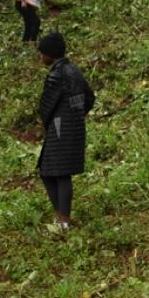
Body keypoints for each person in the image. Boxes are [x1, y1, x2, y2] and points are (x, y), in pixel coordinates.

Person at [37, 33, 94, 231]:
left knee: (53, 173)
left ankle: (63, 220)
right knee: (60, 173)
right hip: (75, 127)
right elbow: (89, 98)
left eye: (42, 54)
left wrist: (46, 122)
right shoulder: (74, 70)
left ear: (50, 55)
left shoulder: (56, 74)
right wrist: (77, 114)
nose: (41, 57)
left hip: (59, 127)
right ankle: (63, 218)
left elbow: (47, 105)